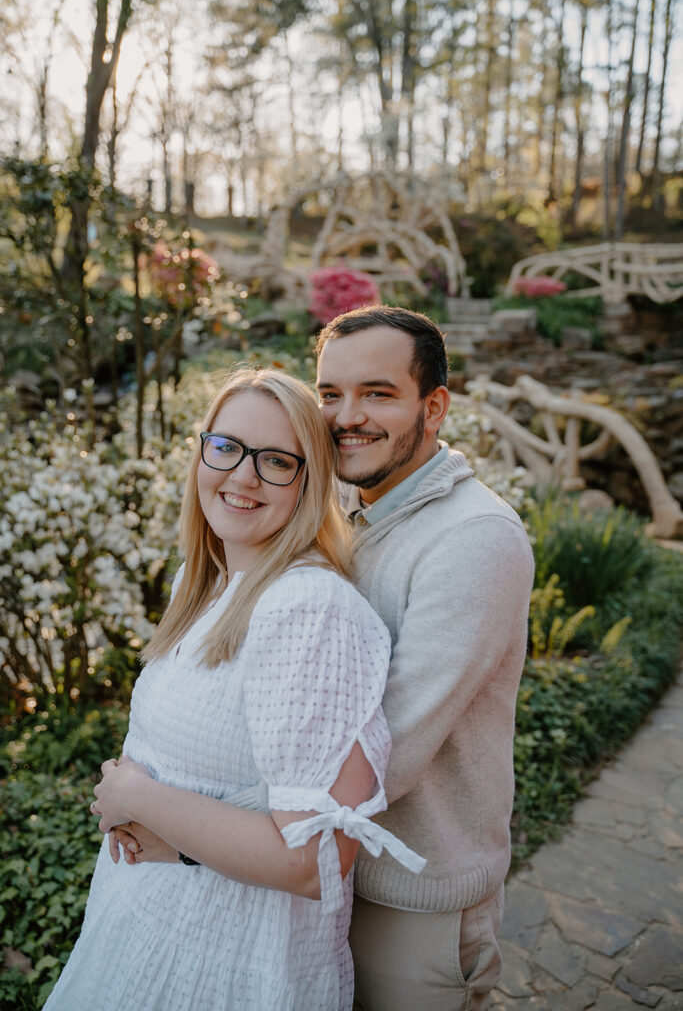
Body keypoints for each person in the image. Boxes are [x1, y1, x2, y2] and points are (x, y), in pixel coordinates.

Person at [44, 367, 425, 1011]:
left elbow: (311, 863)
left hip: (232, 965)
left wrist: (138, 794)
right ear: (201, 451)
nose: (242, 476)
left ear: (310, 483)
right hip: (139, 932)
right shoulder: (203, 582)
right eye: (225, 447)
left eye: (276, 461)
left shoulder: (307, 608)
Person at [314, 305, 535, 1011]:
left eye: (377, 393)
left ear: (433, 406)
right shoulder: (345, 508)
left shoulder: (474, 539)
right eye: (329, 393)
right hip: (324, 871)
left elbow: (391, 745)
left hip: (412, 897)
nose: (347, 416)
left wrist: (198, 821)